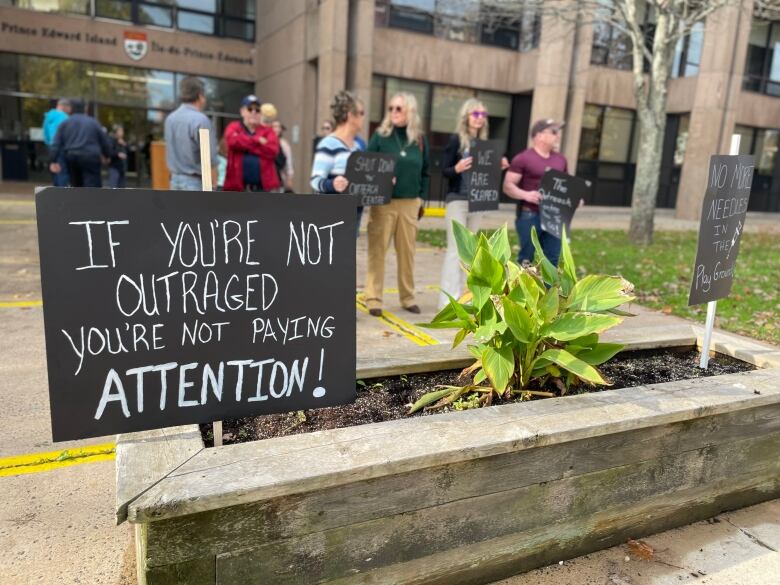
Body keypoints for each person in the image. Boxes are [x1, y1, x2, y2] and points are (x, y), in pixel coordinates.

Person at [438, 98, 509, 309]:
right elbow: (444, 170)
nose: (479, 119)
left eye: (483, 115)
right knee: (455, 250)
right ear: (466, 116)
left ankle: (464, 298)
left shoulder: (488, 145)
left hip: (478, 202)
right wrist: (457, 168)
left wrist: (500, 165)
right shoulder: (456, 141)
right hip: (457, 200)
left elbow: (489, 175)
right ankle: (447, 303)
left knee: (470, 253)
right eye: (475, 114)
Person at [365, 92, 430, 317]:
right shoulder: (380, 136)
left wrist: (422, 197)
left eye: (398, 109)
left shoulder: (419, 140)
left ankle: (407, 297)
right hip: (383, 202)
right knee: (377, 250)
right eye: (391, 108)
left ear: (410, 111)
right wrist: (381, 177)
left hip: (410, 203)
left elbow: (426, 172)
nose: (393, 112)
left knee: (407, 252)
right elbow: (367, 164)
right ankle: (373, 298)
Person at [503, 118, 568, 267]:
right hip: (529, 215)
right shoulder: (523, 158)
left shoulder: (561, 160)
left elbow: (565, 186)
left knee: (552, 260)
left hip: (553, 216)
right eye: (553, 132)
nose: (557, 135)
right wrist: (526, 195)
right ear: (539, 135)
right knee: (526, 259)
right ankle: (522, 290)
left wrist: (574, 199)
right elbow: (508, 186)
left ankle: (547, 290)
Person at [309, 90, 365, 236]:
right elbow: (315, 181)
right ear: (350, 115)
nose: (363, 117)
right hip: (330, 218)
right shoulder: (328, 144)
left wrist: (383, 181)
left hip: (353, 216)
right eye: (361, 113)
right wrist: (332, 184)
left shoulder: (357, 147)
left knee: (346, 259)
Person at [163, 76, 217, 190]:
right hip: (194, 183)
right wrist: (211, 187)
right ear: (200, 96)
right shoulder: (201, 120)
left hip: (174, 180)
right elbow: (207, 159)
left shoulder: (170, 119)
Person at [223, 95, 280, 192]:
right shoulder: (233, 127)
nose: (254, 112)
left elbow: (272, 150)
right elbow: (233, 142)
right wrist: (257, 140)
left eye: (257, 110)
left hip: (262, 189)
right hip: (236, 188)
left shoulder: (268, 131)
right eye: (250, 109)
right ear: (242, 111)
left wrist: (245, 145)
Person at [49, 101, 111, 188]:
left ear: (71, 108)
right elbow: (104, 141)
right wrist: (107, 155)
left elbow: (56, 144)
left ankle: (78, 199)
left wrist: (53, 160)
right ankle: (92, 200)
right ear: (85, 108)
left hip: (72, 156)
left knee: (76, 185)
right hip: (90, 157)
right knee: (92, 184)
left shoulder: (65, 123)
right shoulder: (93, 122)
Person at [43, 98, 71, 186]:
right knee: (63, 174)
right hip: (62, 148)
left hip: (51, 148)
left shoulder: (48, 117)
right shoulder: (65, 118)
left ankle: (56, 197)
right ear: (65, 107)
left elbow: (46, 135)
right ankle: (63, 198)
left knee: (55, 173)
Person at [272, 120, 294, 192]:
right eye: (274, 127)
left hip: (280, 176)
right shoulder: (266, 141)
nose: (276, 129)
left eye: (278, 127)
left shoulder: (284, 144)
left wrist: (289, 178)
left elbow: (289, 162)